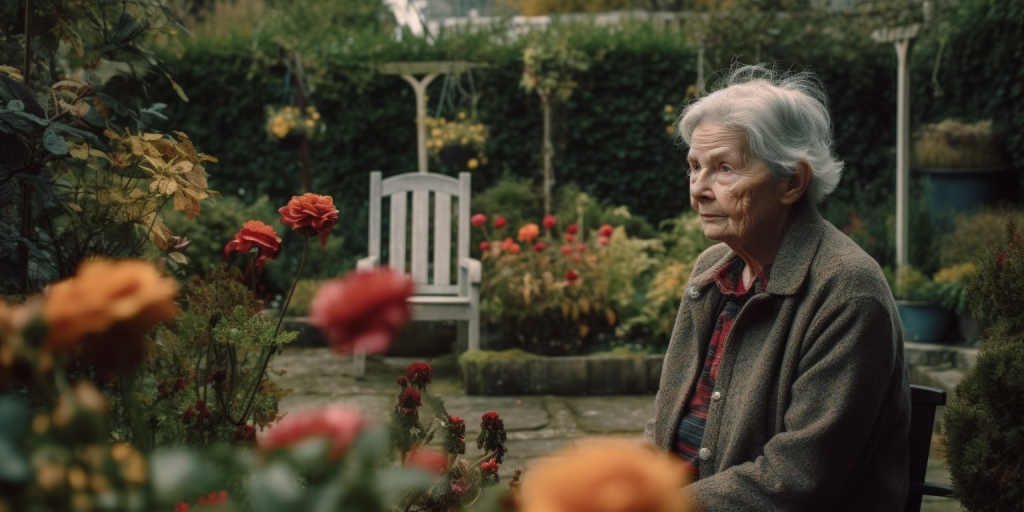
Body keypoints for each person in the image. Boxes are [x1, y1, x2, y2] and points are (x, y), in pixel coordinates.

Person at [644, 65, 911, 511]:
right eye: (695, 167)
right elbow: (664, 424)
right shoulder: (711, 273)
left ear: (792, 182)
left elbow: (796, 480)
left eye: (724, 168)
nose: (699, 191)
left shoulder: (847, 292)